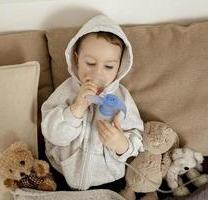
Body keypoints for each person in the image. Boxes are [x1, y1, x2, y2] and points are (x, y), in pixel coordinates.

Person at [41, 14, 144, 191]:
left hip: (109, 180)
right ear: (76, 59)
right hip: (62, 173)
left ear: (120, 66)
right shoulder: (66, 92)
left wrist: (121, 143)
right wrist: (76, 109)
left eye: (109, 66)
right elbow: (52, 134)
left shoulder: (122, 98)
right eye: (90, 63)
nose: (98, 73)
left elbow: (137, 138)